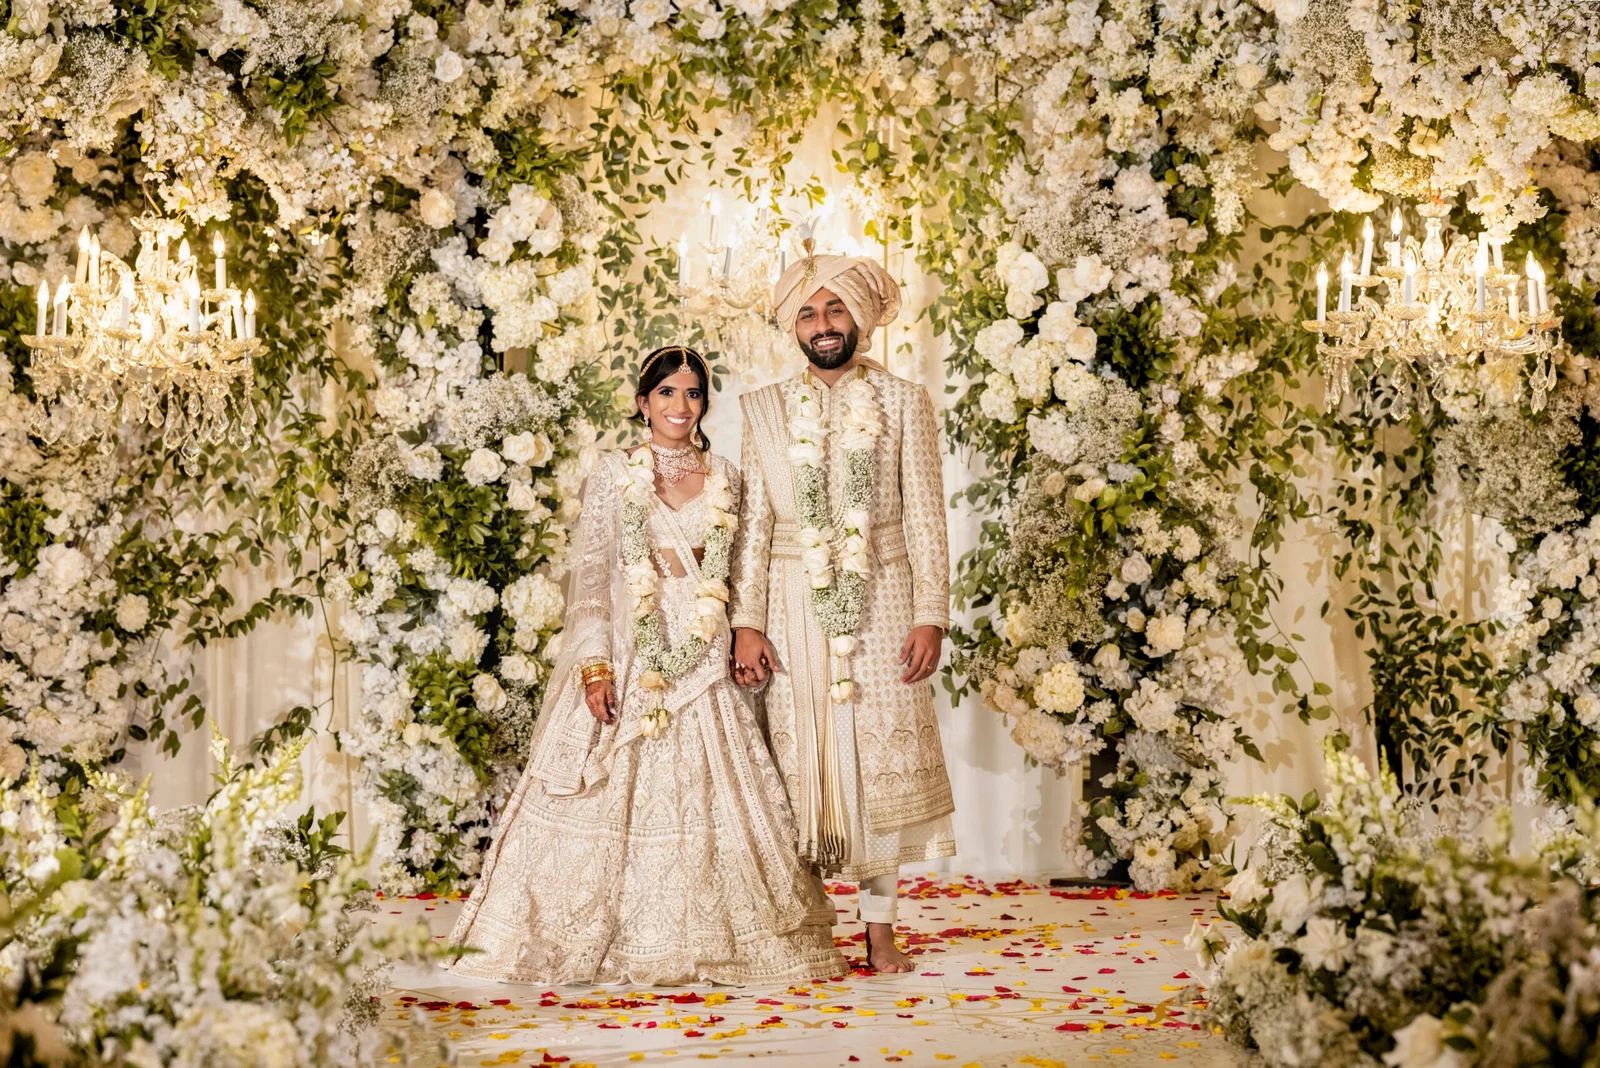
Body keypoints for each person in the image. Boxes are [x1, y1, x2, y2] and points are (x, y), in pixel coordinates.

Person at [446, 346, 844, 985]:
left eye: (692, 393)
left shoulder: (726, 476)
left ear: (704, 403)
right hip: (637, 647)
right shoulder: (614, 473)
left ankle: (715, 934)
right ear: (642, 403)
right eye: (666, 393)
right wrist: (596, 667)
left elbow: (743, 571)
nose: (680, 406)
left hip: (706, 651)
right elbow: (593, 582)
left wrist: (744, 633)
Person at [729, 253, 956, 973]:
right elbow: (754, 525)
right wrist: (746, 620)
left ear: (860, 318)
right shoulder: (764, 409)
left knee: (876, 766)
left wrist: (931, 614)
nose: (822, 325)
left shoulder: (903, 402)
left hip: (882, 597)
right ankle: (806, 926)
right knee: (798, 763)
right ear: (792, 326)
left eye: (835, 310)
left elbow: (926, 515)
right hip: (789, 600)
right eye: (807, 313)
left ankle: (880, 934)